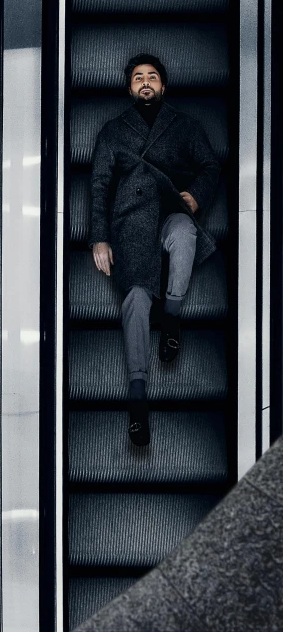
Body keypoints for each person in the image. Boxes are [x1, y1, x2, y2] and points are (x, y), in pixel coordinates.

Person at [89, 53, 221, 446]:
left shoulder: (185, 125)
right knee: (134, 301)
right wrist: (100, 236)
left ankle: (173, 319)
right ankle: (137, 398)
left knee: (185, 233)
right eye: (137, 78)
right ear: (129, 88)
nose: (145, 82)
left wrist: (196, 198)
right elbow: (99, 184)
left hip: (169, 211)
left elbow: (210, 167)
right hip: (129, 224)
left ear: (163, 85)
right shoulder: (113, 131)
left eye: (152, 77)